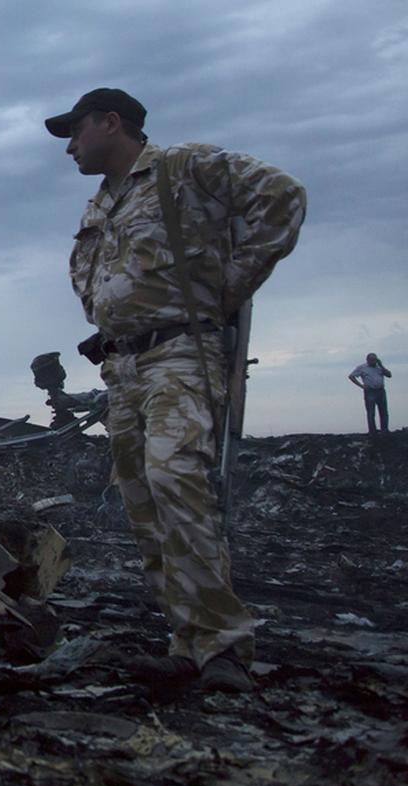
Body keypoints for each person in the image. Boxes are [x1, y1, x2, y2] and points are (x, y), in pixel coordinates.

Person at [47, 88, 306, 693]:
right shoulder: (100, 204)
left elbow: (283, 197)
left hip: (180, 356)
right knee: (144, 501)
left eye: (76, 130)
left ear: (112, 123)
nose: (69, 145)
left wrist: (229, 288)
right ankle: (186, 641)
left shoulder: (184, 168)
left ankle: (222, 647)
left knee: (177, 480)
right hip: (125, 368)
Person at [348, 353, 392, 433]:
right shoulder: (362, 368)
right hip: (370, 391)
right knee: (371, 412)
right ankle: (372, 430)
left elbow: (389, 375)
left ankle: (384, 429)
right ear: (367, 360)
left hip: (380, 390)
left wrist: (381, 365)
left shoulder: (379, 367)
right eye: (372, 360)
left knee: (384, 412)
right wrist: (361, 386)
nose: (374, 362)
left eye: (375, 360)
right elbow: (351, 376)